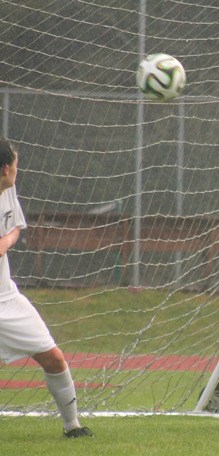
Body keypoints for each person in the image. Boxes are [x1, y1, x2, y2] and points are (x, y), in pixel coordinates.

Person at [0, 138, 94, 439]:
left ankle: (72, 427)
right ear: (5, 169)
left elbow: (15, 226)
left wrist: (5, 242)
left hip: (7, 298)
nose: (18, 170)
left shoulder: (7, 190)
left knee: (53, 358)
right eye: (16, 166)